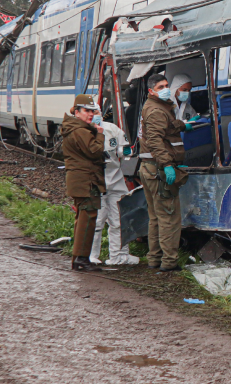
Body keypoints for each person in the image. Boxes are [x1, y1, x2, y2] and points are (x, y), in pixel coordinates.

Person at [139, 73, 195, 272]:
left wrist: (183, 125)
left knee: (155, 216)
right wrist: (167, 164)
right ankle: (169, 262)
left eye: (166, 85)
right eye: (160, 86)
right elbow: (154, 140)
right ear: (151, 91)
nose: (165, 89)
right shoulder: (155, 110)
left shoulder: (159, 107)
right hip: (159, 169)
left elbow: (168, 126)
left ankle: (154, 258)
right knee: (169, 217)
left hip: (149, 168)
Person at [61, 94, 106, 272]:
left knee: (83, 219)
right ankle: (81, 259)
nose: (90, 114)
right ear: (77, 112)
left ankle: (79, 257)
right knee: (87, 219)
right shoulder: (80, 130)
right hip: (86, 180)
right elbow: (94, 151)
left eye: (92, 111)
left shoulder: (75, 128)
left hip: (80, 179)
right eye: (87, 111)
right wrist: (100, 135)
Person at [88, 113, 139, 265]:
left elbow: (124, 150)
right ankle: (91, 255)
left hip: (115, 180)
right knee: (97, 220)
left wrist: (125, 151)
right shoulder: (82, 133)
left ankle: (119, 255)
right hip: (96, 182)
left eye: (96, 112)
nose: (94, 116)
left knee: (119, 219)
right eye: (91, 113)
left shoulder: (112, 129)